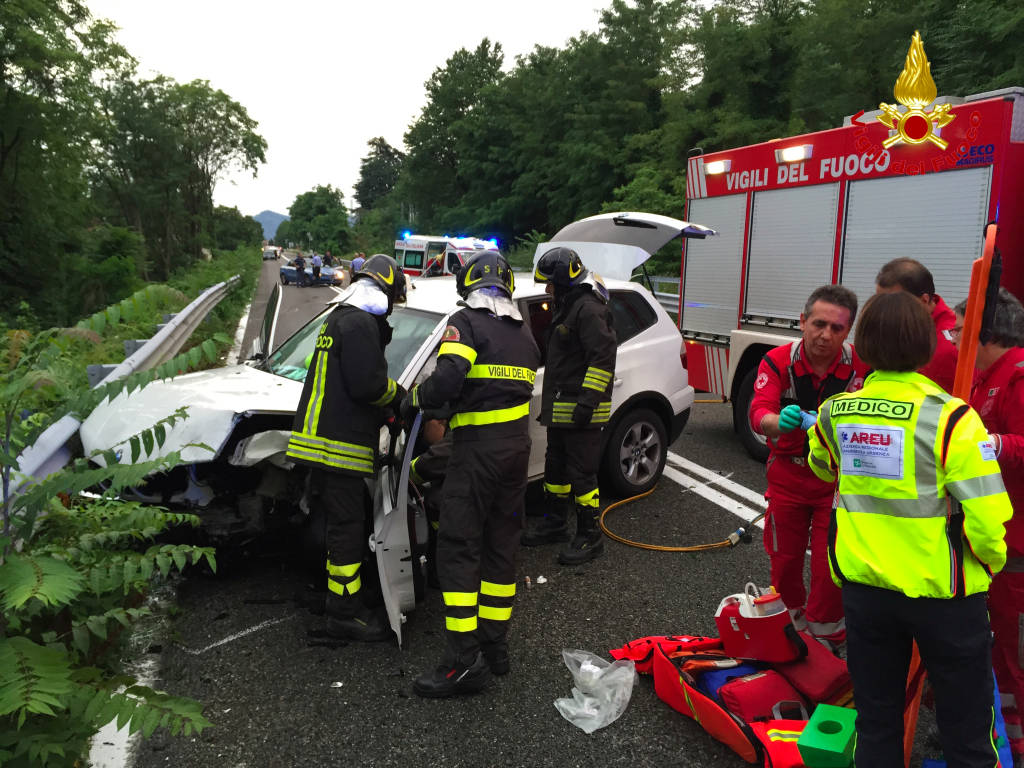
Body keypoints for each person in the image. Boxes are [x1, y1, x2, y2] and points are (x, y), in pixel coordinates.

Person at [808, 290, 1011, 767]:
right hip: (945, 595)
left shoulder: (837, 410)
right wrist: (988, 563)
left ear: (861, 346)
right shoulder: (954, 418)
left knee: (876, 718)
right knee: (966, 727)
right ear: (926, 347)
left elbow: (821, 466)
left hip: (865, 589)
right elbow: (988, 513)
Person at [401, 249, 540, 697]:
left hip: (476, 455)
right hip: (516, 455)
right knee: (501, 547)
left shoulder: (466, 323)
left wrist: (416, 401)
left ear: (468, 286)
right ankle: (494, 647)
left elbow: (446, 380)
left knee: (460, 549)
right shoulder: (523, 335)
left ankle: (463, 662)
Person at [286, 254, 407, 642]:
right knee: (348, 527)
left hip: (317, 441)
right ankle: (344, 612)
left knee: (335, 523)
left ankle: (343, 594)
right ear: (386, 289)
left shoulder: (340, 317)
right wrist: (399, 399)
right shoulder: (359, 323)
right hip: (336, 445)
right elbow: (369, 385)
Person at [749, 284, 868, 647]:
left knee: (829, 568)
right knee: (784, 561)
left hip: (835, 482)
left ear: (849, 331)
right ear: (802, 321)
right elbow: (758, 412)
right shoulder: (778, 361)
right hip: (788, 476)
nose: (825, 335)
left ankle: (826, 642)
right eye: (818, 324)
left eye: (837, 329)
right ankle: (789, 633)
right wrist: (775, 423)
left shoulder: (861, 366)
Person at [954, 288, 1024, 765]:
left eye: (960, 331)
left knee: (1008, 650)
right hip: (994, 533)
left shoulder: (1018, 375)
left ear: (984, 331)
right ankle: (997, 734)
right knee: (993, 642)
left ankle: (1016, 746)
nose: (955, 339)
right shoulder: (986, 377)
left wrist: (985, 443)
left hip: (1014, 541)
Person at [522, 246, 617, 564]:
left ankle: (590, 537)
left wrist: (587, 403)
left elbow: (602, 358)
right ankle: (555, 523)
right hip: (562, 410)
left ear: (564, 281)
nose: (547, 289)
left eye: (550, 283)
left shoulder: (588, 309)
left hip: (582, 413)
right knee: (555, 470)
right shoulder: (568, 306)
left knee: (582, 475)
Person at [875, 257, 958, 392]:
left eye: (894, 303)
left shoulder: (946, 348)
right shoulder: (902, 326)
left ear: (924, 300)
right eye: (879, 300)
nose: (882, 309)